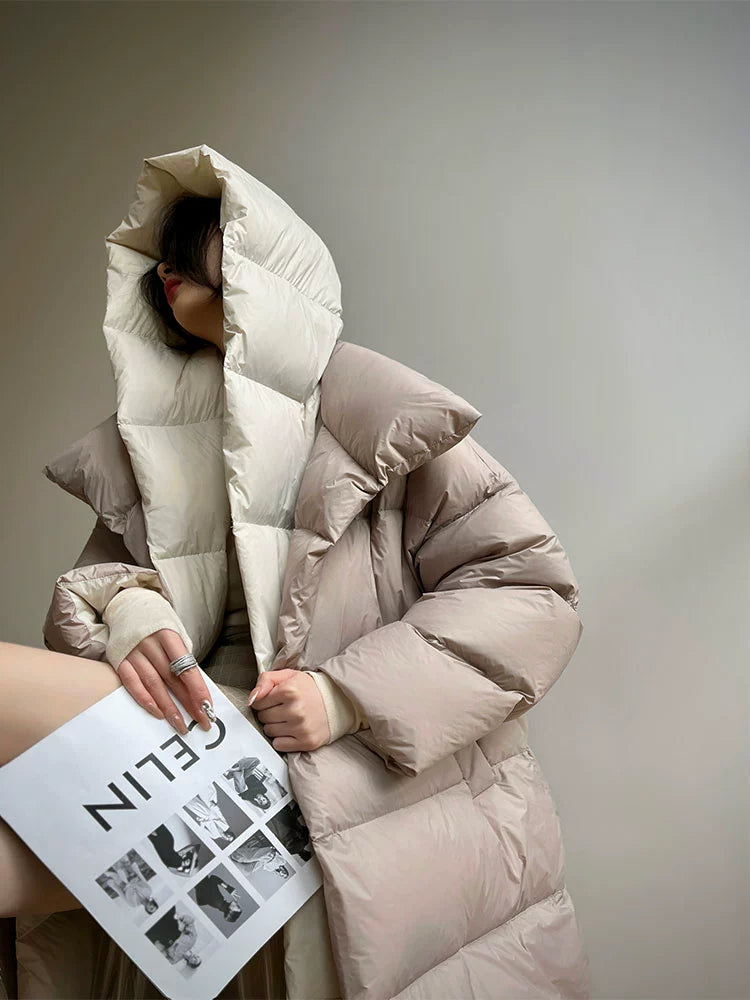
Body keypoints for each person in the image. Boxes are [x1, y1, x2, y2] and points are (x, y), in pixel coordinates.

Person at [1, 144, 590, 1000]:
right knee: (24, 853)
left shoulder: (379, 417)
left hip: (329, 766)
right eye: (161, 256)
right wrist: (131, 611)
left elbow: (529, 588)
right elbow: (101, 584)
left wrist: (346, 697)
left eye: (194, 246)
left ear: (264, 269)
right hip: (197, 731)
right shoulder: (152, 442)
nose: (167, 269)